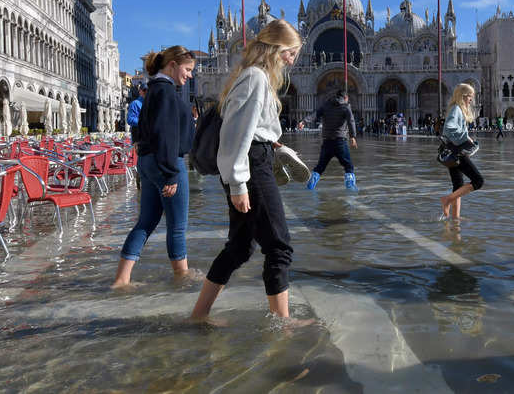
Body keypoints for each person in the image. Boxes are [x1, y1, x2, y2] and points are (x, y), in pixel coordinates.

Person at [191, 20, 302, 321]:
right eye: (291, 53)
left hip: (255, 160)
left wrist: (273, 146)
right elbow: (234, 135)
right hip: (251, 167)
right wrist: (238, 183)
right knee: (279, 245)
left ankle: (199, 314)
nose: (293, 60)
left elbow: (251, 129)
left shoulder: (255, 77)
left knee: (240, 247)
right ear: (277, 49)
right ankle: (283, 323)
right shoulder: (255, 77)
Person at [112, 46, 197, 288]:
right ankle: (182, 277)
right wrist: (171, 173)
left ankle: (121, 279)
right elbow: (166, 134)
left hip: (148, 162)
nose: (190, 75)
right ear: (172, 65)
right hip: (166, 163)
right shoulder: (166, 92)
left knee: (147, 221)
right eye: (188, 69)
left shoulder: (152, 90)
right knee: (177, 227)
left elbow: (142, 128)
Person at [439, 83, 484, 219]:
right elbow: (448, 128)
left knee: (458, 184)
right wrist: (466, 137)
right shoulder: (456, 109)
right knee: (478, 181)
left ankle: (455, 218)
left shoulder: (456, 109)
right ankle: (447, 199)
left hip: (453, 152)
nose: (471, 99)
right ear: (463, 96)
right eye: (470, 96)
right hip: (457, 151)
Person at [302, 89, 359, 191]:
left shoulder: (326, 106)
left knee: (320, 167)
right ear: (345, 98)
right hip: (340, 142)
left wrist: (304, 121)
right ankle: (351, 190)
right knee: (348, 166)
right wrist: (352, 136)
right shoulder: (346, 107)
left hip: (327, 142)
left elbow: (315, 114)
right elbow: (351, 121)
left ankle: (309, 187)